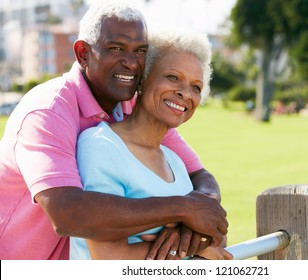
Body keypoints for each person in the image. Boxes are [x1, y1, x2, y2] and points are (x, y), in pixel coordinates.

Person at [0, 1, 227, 260]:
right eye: (116, 48)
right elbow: (68, 214)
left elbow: (200, 176)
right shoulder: (48, 111)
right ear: (83, 53)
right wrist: (184, 210)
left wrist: (192, 228)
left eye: (140, 50)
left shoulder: (133, 104)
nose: (131, 63)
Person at [70, 30, 232, 260]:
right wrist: (194, 248)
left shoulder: (174, 161)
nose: (184, 93)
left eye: (196, 87)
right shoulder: (100, 146)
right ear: (142, 80)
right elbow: (106, 256)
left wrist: (190, 235)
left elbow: (216, 232)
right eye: (173, 77)